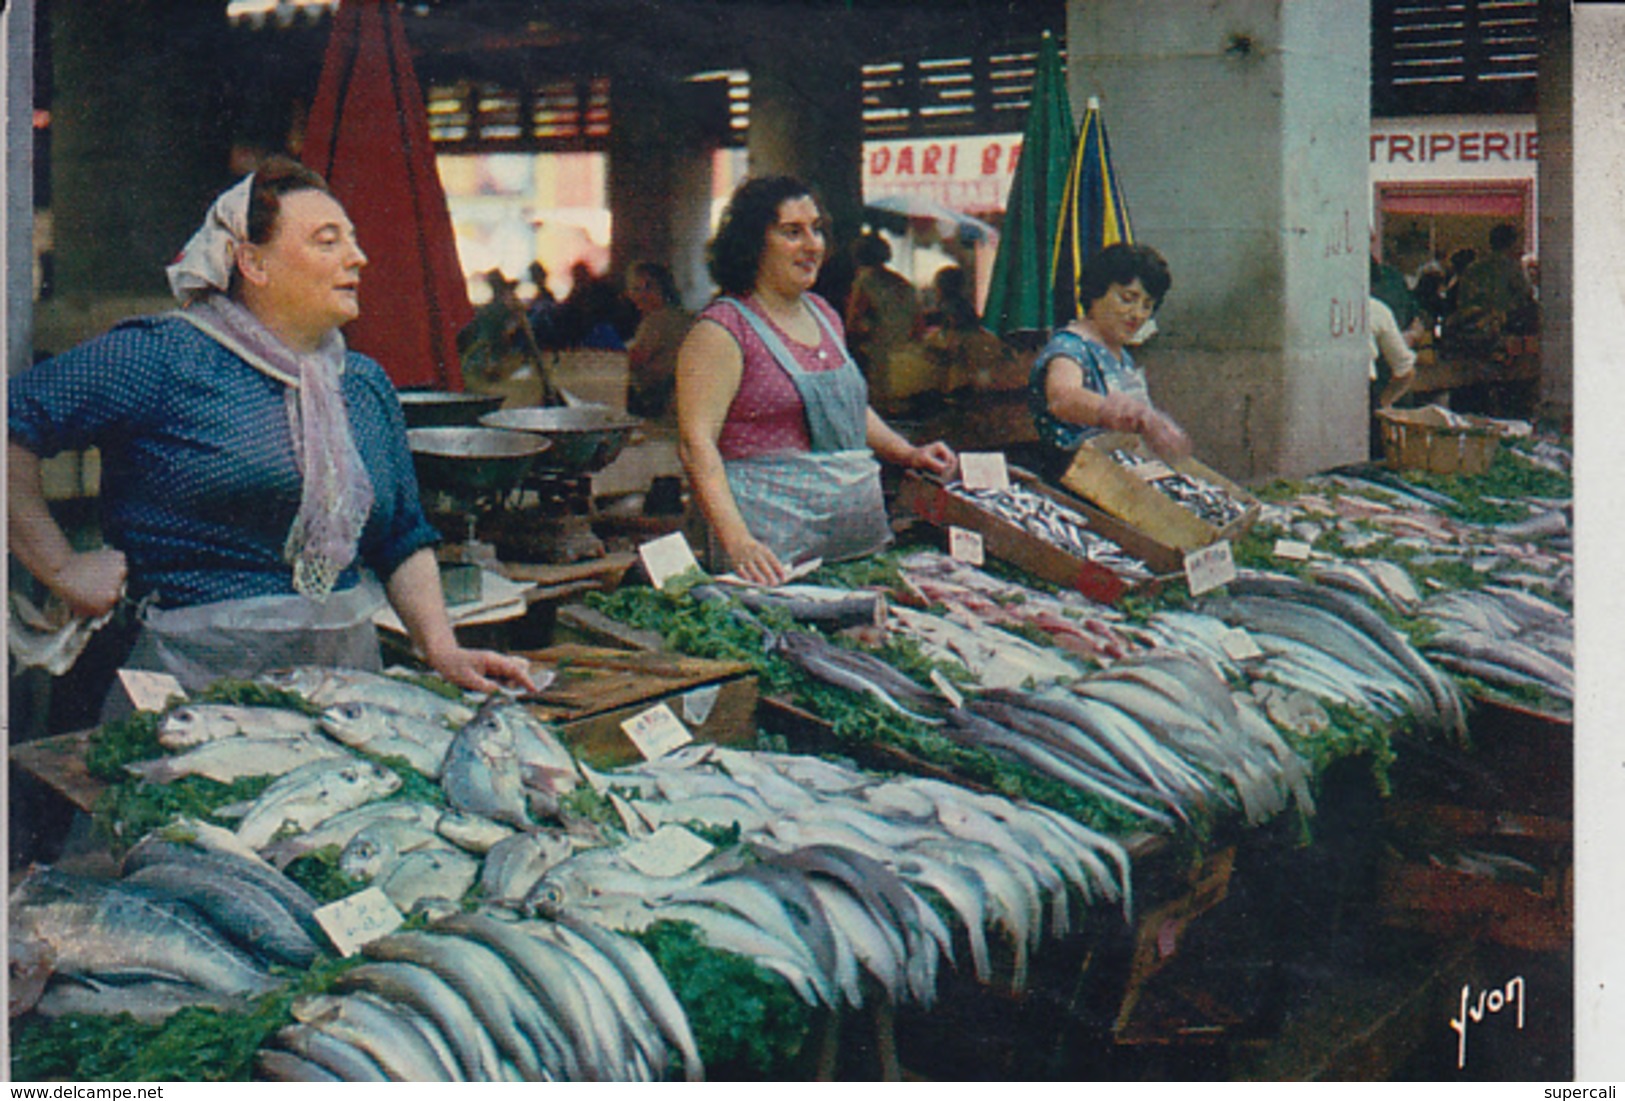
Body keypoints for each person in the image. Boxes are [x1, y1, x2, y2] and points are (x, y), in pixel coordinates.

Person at [7, 156, 537, 697]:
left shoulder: (361, 383)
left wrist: (441, 647)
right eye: (327, 242)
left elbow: (401, 535)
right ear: (253, 264)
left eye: (351, 241)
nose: (359, 257)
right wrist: (63, 566)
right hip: (184, 686)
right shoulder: (164, 357)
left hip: (340, 689)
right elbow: (11, 423)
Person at [676, 175, 956, 586]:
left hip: (852, 548)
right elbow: (695, 444)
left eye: (816, 229)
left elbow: (847, 408)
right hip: (770, 558)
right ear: (753, 243)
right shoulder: (722, 330)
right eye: (792, 232)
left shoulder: (824, 313)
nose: (813, 245)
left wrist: (907, 454)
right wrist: (739, 543)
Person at [1028, 243, 1192, 481]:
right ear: (1095, 293)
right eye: (1128, 299)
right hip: (1073, 481)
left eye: (1147, 305)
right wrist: (1133, 414)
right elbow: (1062, 397)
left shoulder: (1120, 354)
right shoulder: (1069, 347)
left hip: (1116, 477)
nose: (1137, 314)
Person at [1447, 223, 1538, 353]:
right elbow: (1525, 296)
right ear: (1512, 244)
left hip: (1472, 327)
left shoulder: (1473, 268)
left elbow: (1463, 300)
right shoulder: (1512, 268)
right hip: (1502, 331)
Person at [843, 231, 921, 378]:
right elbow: (918, 324)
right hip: (904, 356)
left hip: (877, 355)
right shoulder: (903, 283)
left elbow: (853, 323)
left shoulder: (865, 282)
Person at [624, 261, 693, 420]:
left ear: (664, 288)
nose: (642, 295)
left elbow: (635, 360)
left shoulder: (659, 320)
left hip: (660, 400)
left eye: (649, 287)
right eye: (635, 289)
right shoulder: (680, 315)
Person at [1368, 294, 1417, 454]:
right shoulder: (1375, 308)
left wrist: (1381, 404)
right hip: (1362, 402)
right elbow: (1405, 369)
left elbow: (1405, 369)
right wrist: (1383, 404)